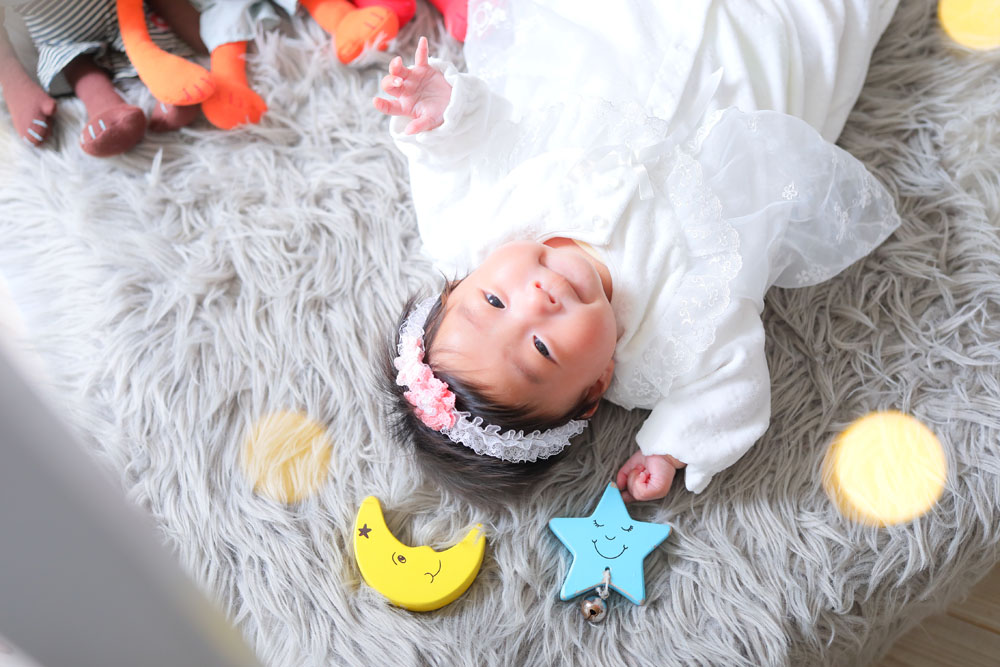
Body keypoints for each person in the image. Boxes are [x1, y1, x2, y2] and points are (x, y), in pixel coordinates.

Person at [374, 0, 902, 504]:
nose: (536, 300)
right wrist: (670, 447)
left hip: (620, 35)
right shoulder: (669, 344)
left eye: (494, 301)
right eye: (541, 348)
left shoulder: (468, 228)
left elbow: (454, 158)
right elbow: (732, 384)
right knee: (823, 25)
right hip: (757, 60)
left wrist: (442, 114)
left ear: (459, 282)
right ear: (596, 387)